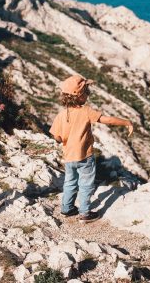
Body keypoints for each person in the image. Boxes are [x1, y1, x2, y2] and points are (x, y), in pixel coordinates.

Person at [49, 75, 134, 223]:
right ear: (80, 95)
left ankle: (66, 208)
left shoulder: (61, 115)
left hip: (69, 157)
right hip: (85, 157)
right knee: (86, 184)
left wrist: (66, 138)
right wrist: (126, 122)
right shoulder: (86, 111)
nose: (88, 94)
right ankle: (85, 213)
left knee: (70, 182)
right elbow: (105, 120)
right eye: (87, 91)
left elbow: (56, 137)